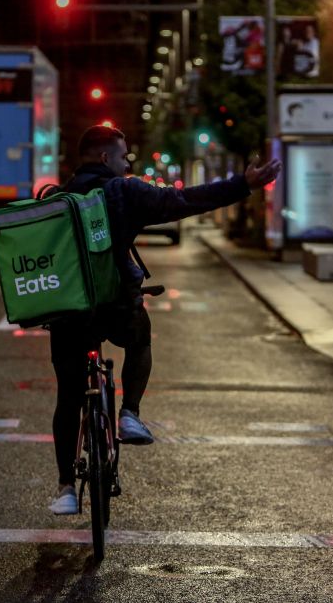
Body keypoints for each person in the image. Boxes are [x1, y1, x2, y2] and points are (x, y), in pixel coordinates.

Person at [47, 125, 281, 515]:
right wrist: (243, 184)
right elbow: (184, 201)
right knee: (139, 339)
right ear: (106, 158)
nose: (126, 164)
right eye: (123, 157)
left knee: (68, 395)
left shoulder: (56, 199)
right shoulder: (122, 191)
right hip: (117, 306)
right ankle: (129, 414)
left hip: (69, 314)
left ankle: (66, 488)